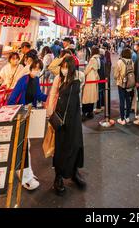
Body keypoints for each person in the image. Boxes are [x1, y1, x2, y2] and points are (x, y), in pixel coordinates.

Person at [47, 56, 85, 195]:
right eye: (62, 67)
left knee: (76, 144)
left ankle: (74, 172)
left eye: (66, 66)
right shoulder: (58, 78)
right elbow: (52, 95)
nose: (64, 69)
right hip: (61, 117)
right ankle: (58, 177)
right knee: (61, 147)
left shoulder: (79, 76)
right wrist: (50, 114)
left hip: (74, 116)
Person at [8, 59, 47, 190]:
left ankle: (26, 173)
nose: (36, 70)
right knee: (23, 145)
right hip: (20, 115)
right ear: (31, 67)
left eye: (39, 69)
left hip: (30, 114)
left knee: (26, 145)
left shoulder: (36, 80)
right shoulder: (23, 80)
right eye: (35, 68)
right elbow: (12, 98)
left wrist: (52, 97)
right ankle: (25, 176)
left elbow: (38, 95)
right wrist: (16, 113)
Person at [114, 48, 134, 125]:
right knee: (128, 100)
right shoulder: (131, 61)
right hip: (129, 83)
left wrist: (117, 78)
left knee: (122, 100)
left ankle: (122, 119)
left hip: (121, 83)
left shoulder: (119, 62)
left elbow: (116, 75)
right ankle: (127, 117)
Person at [82, 46, 100, 120]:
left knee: (87, 95)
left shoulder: (92, 59)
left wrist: (83, 74)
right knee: (92, 95)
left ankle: (84, 112)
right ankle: (90, 111)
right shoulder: (98, 58)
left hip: (90, 76)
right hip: (95, 76)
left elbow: (87, 69)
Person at [94, 49, 106, 114]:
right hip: (103, 78)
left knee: (99, 93)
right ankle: (103, 105)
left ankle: (98, 107)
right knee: (102, 92)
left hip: (100, 78)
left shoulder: (99, 60)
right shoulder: (104, 59)